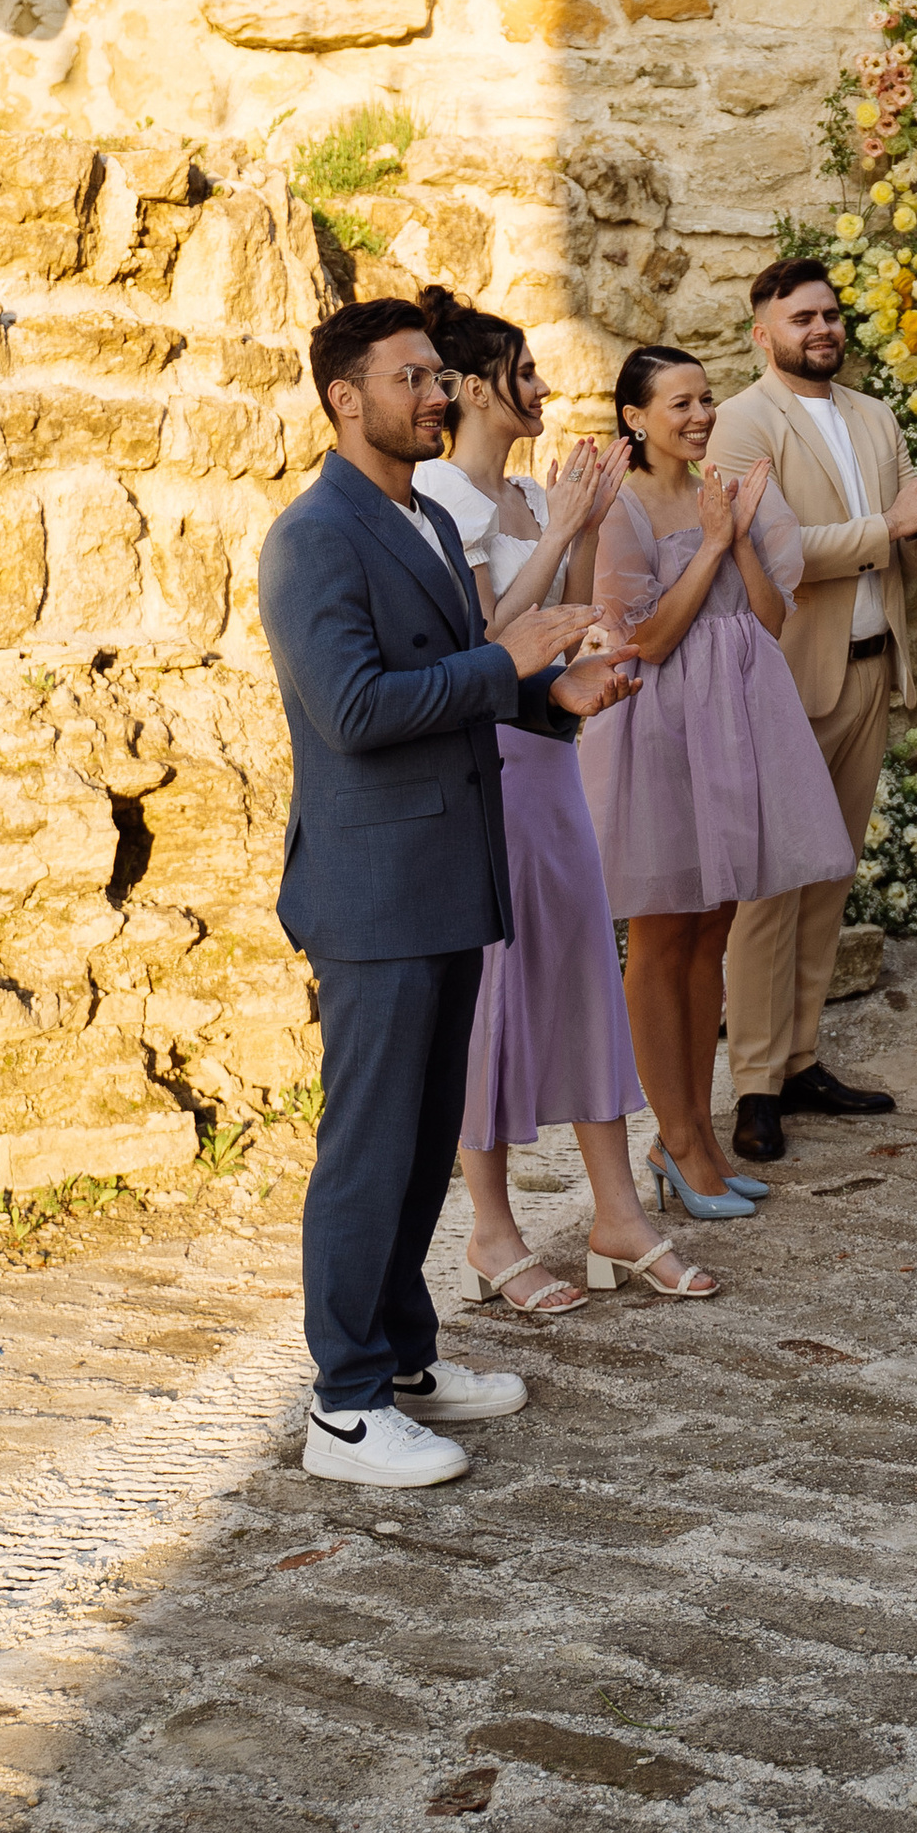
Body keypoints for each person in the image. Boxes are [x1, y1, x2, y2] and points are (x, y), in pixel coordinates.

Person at [259, 298, 636, 1490]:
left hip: (448, 874)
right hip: (374, 888)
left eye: (439, 377)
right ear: (343, 399)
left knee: (426, 1143)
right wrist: (509, 663)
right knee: (368, 1150)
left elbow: (454, 676)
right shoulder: (314, 537)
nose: (437, 394)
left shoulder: (419, 517)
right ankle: (343, 1405)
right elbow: (358, 709)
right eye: (411, 378)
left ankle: (405, 1359)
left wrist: (550, 702)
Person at [411, 285, 716, 1312]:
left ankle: (616, 1216)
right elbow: (481, 639)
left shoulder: (534, 499)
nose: (541, 387)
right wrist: (566, 534)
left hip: (552, 755)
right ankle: (491, 1233)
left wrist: (583, 559)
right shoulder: (442, 503)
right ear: (470, 390)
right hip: (482, 762)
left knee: (586, 966)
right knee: (493, 991)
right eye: (524, 372)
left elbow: (567, 610)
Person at [580, 345, 855, 1221]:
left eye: (706, 399)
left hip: (737, 714)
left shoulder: (735, 485)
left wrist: (738, 531)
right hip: (659, 726)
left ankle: (691, 1134)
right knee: (663, 937)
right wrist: (713, 542)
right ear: (636, 418)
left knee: (714, 927)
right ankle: (679, 1140)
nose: (701, 416)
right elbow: (644, 641)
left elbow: (771, 615)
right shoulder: (621, 508)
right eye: (680, 403)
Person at [708, 260, 917, 1165]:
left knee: (829, 875)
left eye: (830, 314)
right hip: (785, 678)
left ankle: (801, 1058)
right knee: (769, 888)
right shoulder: (741, 422)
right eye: (802, 315)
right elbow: (768, 549)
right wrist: (889, 527)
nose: (822, 327)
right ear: (763, 332)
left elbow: (916, 560)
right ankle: (751, 1084)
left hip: (868, 670)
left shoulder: (874, 415)